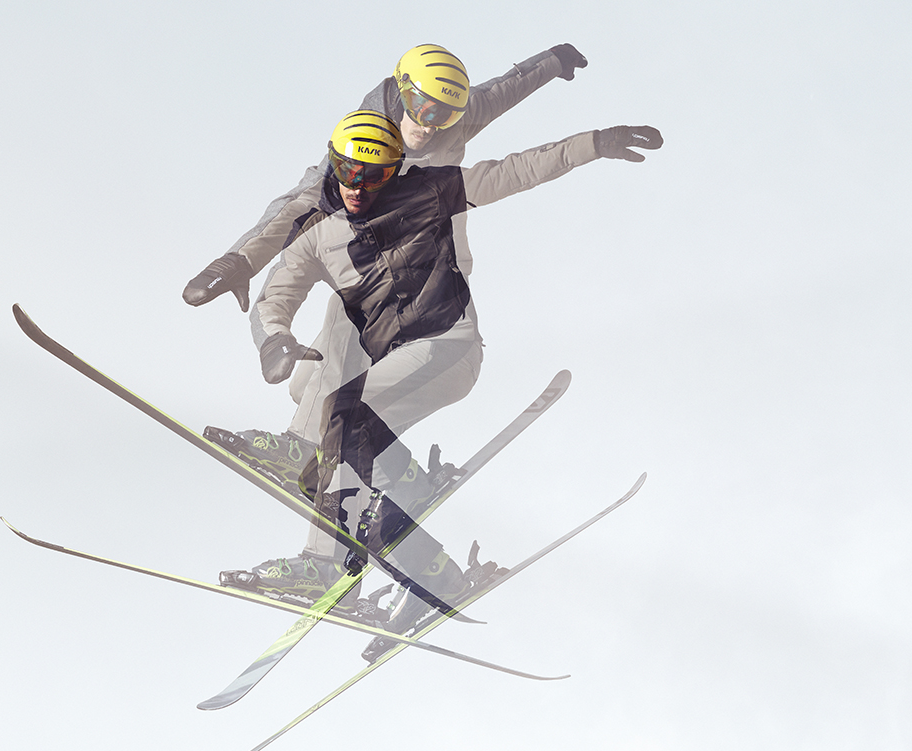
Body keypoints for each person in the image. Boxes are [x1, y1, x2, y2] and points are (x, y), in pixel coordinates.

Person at [218, 109, 662, 636]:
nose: (358, 189)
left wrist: (594, 142)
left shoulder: (430, 191)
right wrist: (273, 339)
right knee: (332, 418)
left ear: (395, 173)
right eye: (349, 173)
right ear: (334, 165)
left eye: (375, 178)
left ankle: (341, 550)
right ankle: (419, 551)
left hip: (444, 349)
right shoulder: (318, 228)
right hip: (383, 367)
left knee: (339, 414)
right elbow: (278, 293)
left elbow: (517, 170)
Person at [183, 43, 589, 468]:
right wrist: (241, 262)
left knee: (347, 329)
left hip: (428, 306)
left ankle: (303, 446)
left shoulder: (445, 143)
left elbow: (504, 102)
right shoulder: (358, 153)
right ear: (401, 93)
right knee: (306, 386)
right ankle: (391, 471)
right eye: (422, 108)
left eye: (443, 115)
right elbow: (298, 210)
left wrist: (553, 63)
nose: (428, 126)